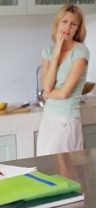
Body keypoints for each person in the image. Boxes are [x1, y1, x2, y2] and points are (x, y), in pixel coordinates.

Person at [37, 4, 89, 156]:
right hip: (48, 118)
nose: (68, 27)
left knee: (69, 174)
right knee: (46, 169)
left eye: (73, 24)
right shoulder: (48, 51)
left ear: (78, 28)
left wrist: (46, 95)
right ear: (57, 23)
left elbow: (64, 93)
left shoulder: (80, 51)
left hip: (67, 119)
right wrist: (58, 50)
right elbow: (47, 86)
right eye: (64, 22)